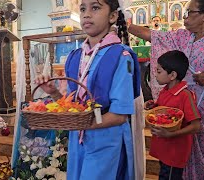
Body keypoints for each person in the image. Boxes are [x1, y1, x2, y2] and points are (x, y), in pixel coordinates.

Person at [34, 0, 141, 179]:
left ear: (113, 16)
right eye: (83, 9)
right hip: (79, 140)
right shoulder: (74, 57)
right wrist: (53, 92)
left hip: (106, 139)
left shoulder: (121, 56)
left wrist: (81, 123)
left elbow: (119, 115)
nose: (86, 14)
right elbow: (70, 106)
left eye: (95, 7)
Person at [128, 0, 204, 179]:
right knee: (182, 157)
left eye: (189, 13)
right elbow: (152, 35)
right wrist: (123, 22)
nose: (184, 18)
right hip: (183, 107)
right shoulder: (183, 37)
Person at [145, 50, 201, 180]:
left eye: (159, 72)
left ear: (172, 75)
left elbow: (196, 126)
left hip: (174, 152)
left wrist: (171, 134)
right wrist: (154, 105)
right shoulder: (165, 91)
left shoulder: (185, 95)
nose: (155, 75)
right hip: (164, 148)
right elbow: (164, 110)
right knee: (164, 174)